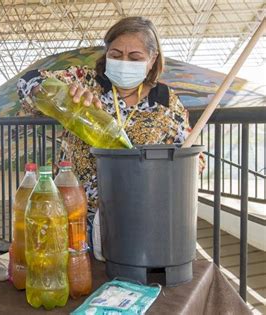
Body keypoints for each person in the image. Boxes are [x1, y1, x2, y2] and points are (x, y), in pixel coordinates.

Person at [17, 16, 204, 246]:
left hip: (136, 218)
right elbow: (28, 82)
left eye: (135, 57)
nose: (124, 62)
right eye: (115, 55)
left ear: (152, 59)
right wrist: (51, 91)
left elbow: (195, 161)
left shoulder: (165, 102)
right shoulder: (85, 80)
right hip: (76, 211)